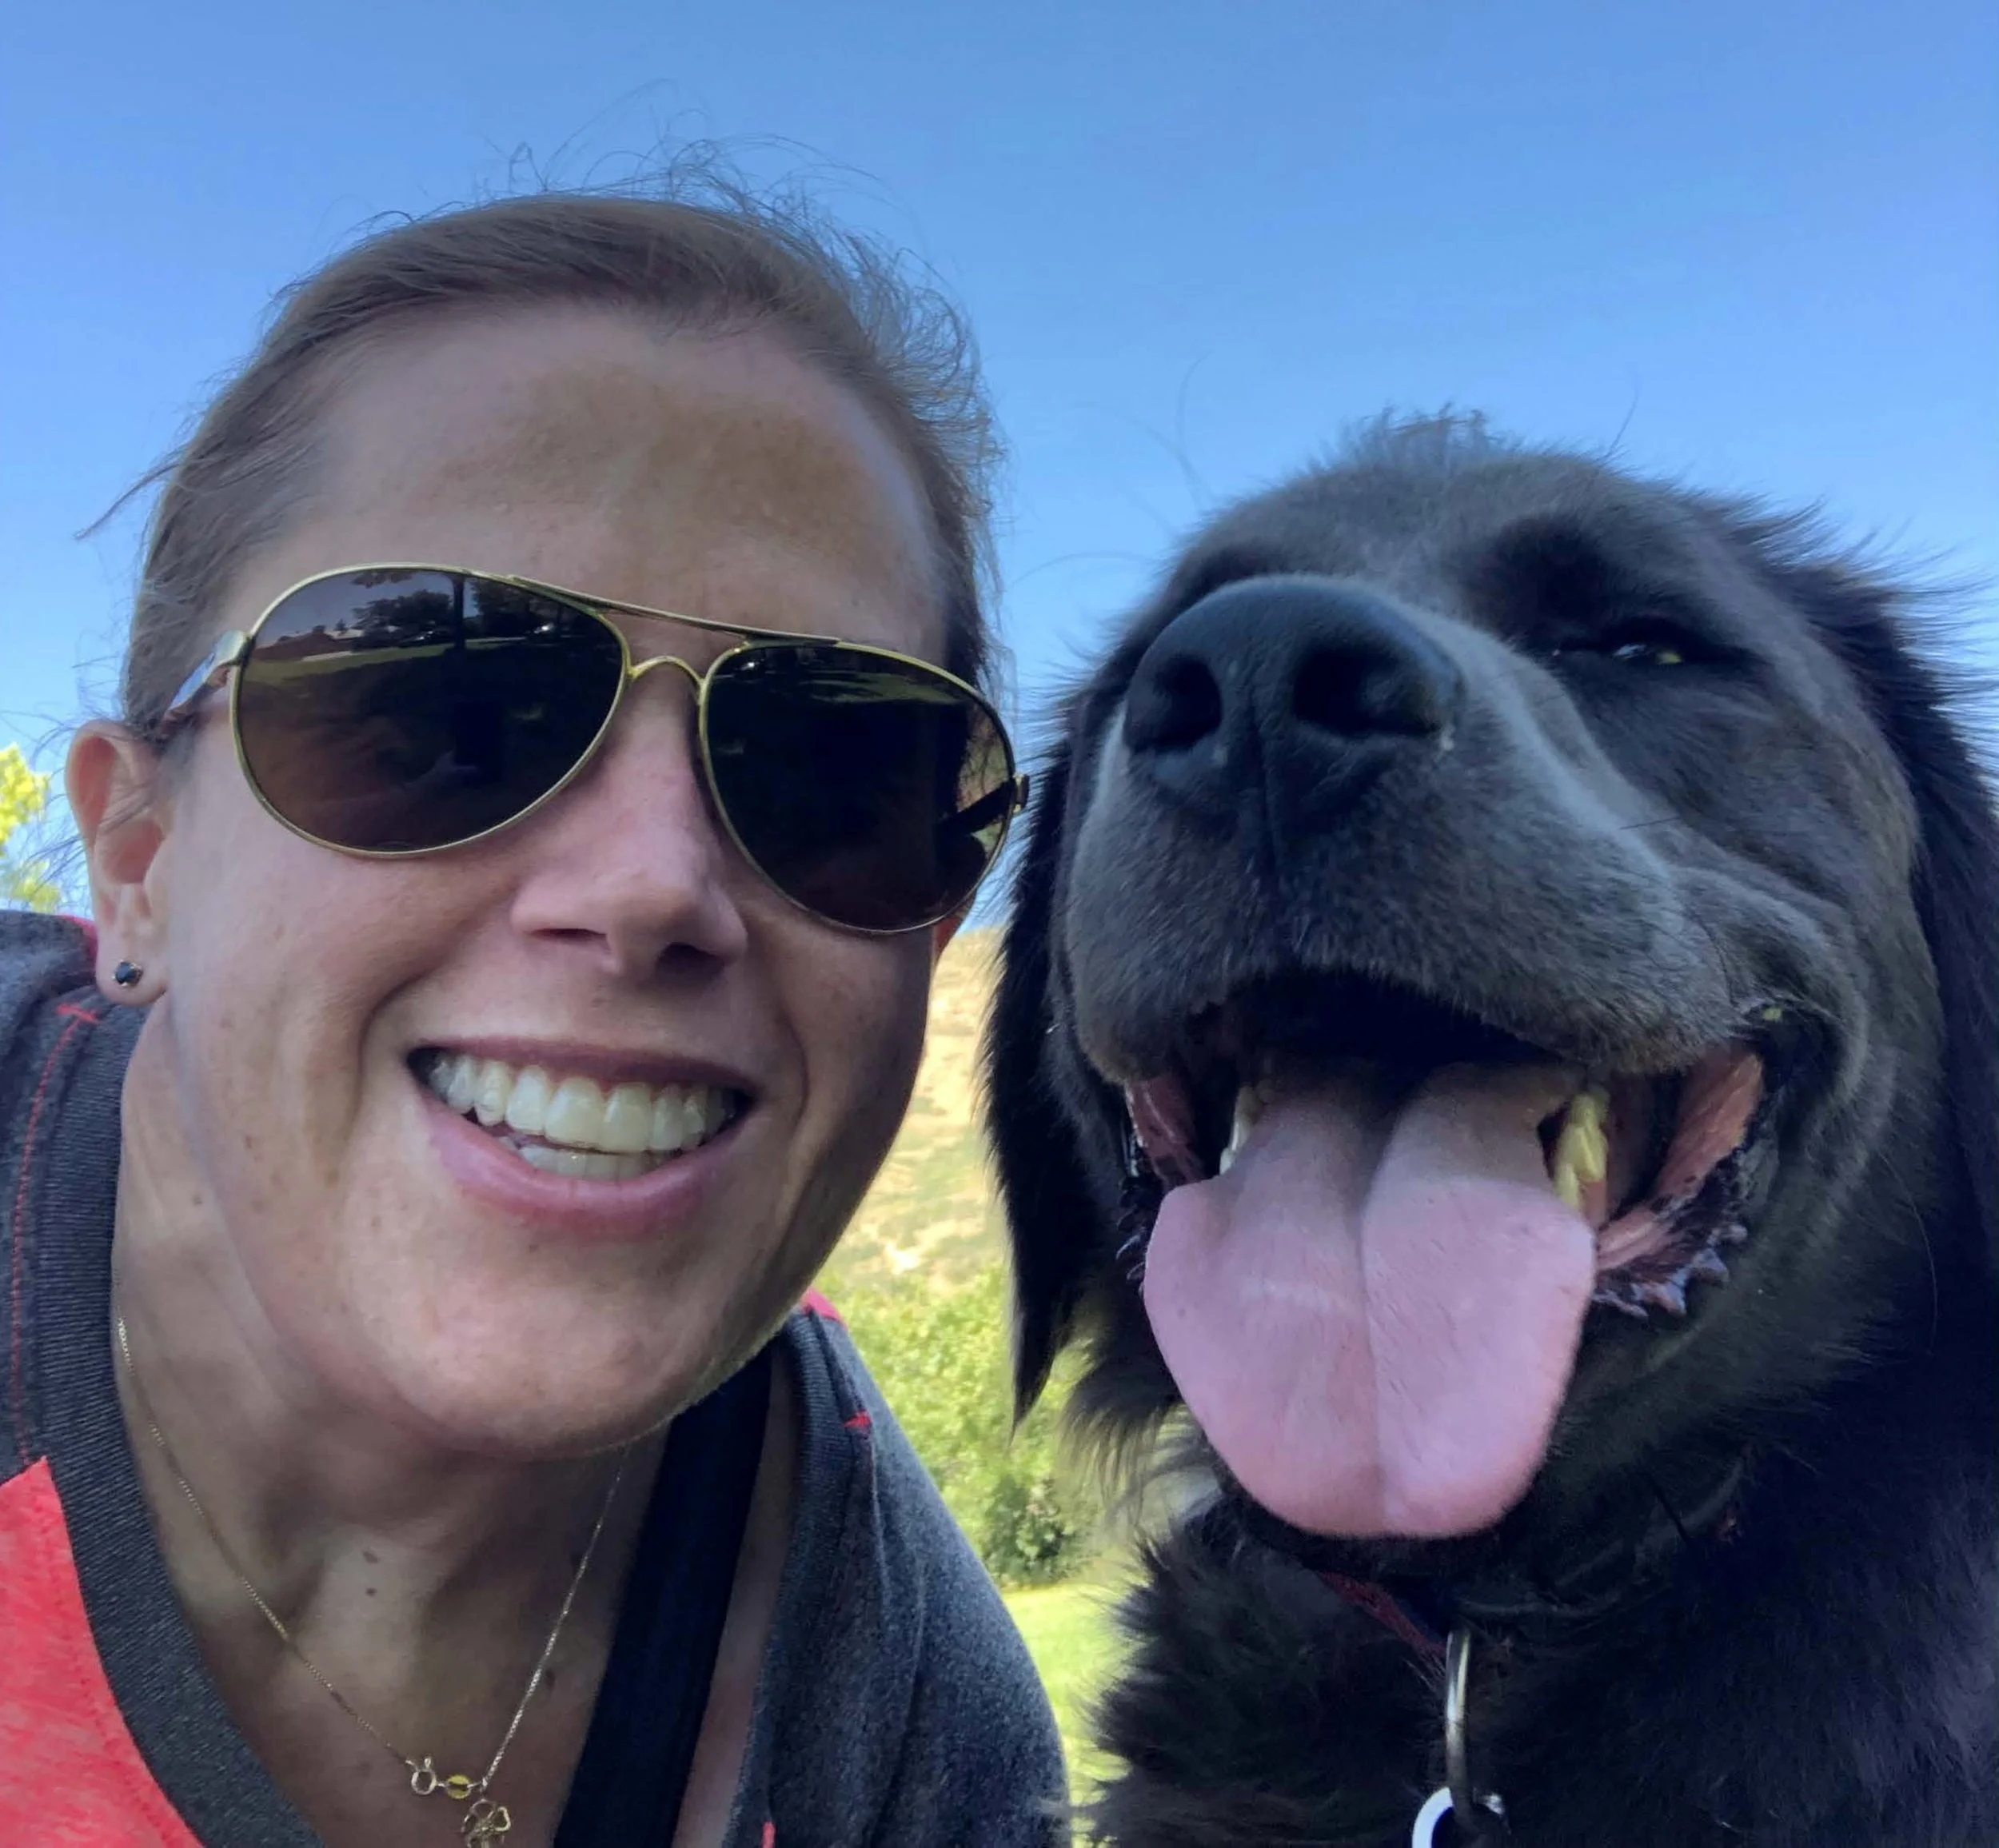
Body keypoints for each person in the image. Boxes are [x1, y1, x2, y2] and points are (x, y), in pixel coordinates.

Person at [0, 178, 1065, 1848]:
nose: (652, 885)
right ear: (138, 859)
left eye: (830, 770)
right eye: (442, 705)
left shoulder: (903, 1735)